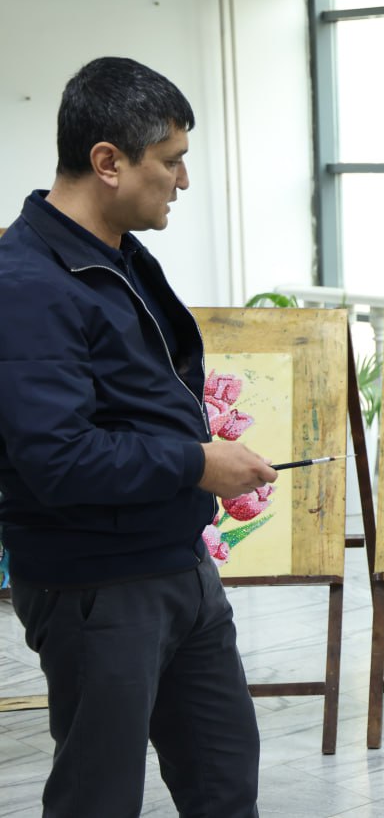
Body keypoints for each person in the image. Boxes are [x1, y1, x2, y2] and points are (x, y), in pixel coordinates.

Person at [0, 57, 276, 817]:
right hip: (98, 584)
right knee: (99, 798)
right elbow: (58, 458)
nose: (183, 180)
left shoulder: (117, 253)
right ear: (108, 162)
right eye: (171, 160)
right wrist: (197, 462)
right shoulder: (27, 284)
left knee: (226, 785)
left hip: (178, 565)